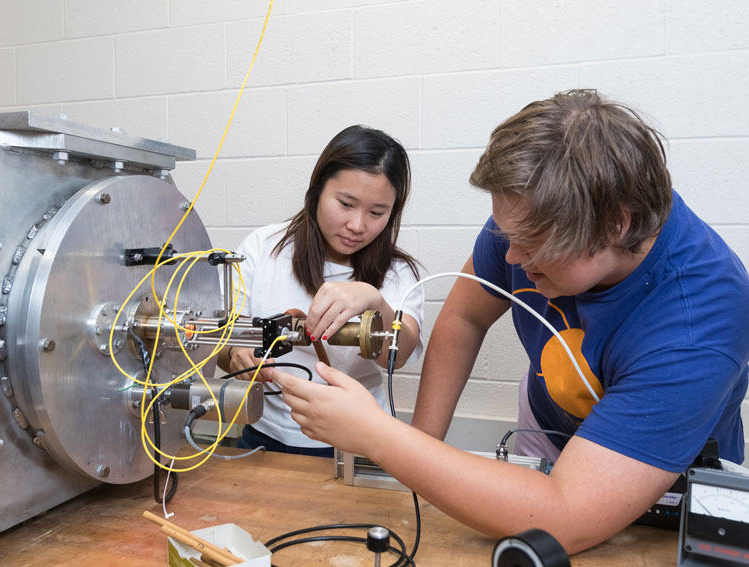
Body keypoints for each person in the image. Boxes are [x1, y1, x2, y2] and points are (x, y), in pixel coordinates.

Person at [272, 90, 749, 553]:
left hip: (657, 484)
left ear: (616, 226)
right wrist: (417, 453)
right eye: (506, 234)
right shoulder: (536, 212)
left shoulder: (699, 322)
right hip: (550, 432)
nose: (512, 256)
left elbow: (564, 516)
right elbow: (463, 317)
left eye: (532, 244)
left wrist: (380, 437)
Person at [218, 124, 425, 457]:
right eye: (345, 203)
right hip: (263, 438)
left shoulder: (398, 272)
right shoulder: (262, 248)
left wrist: (374, 300)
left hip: (358, 445)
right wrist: (238, 357)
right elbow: (224, 346)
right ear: (316, 191)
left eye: (376, 213)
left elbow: (397, 357)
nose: (358, 225)